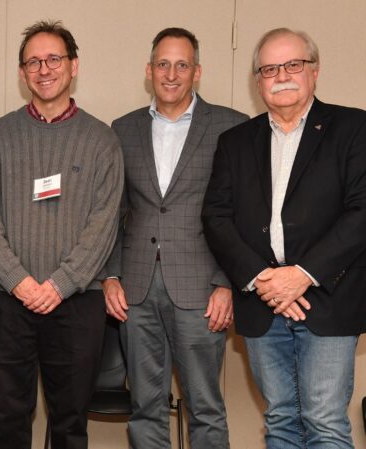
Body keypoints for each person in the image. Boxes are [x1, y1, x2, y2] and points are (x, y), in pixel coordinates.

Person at [202, 28, 366, 448]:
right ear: (258, 81)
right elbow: (216, 217)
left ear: (314, 71)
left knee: (325, 421)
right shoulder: (235, 141)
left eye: (293, 65)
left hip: (329, 298)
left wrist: (304, 275)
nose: (282, 76)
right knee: (279, 422)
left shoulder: (353, 128)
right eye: (270, 69)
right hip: (263, 302)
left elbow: (361, 211)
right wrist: (263, 279)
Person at [0, 20, 124, 449]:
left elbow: (104, 224)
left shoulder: (101, 140)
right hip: (7, 300)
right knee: (7, 419)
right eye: (33, 61)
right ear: (22, 73)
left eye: (54, 58)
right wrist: (21, 283)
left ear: (73, 66)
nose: (44, 69)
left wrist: (58, 284)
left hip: (77, 302)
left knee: (71, 423)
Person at [100, 28, 247, 449]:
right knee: (145, 408)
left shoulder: (231, 126)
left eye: (182, 64)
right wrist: (110, 276)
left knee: (206, 409)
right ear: (149, 71)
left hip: (202, 289)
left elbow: (241, 216)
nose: (171, 74)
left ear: (196, 71)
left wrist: (226, 282)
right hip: (136, 288)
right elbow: (113, 212)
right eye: (162, 64)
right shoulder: (123, 128)